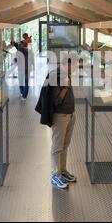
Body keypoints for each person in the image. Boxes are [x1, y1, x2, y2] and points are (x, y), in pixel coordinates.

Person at [39, 57, 76, 190]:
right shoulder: (56, 77)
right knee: (57, 146)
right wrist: (65, 86)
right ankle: (55, 174)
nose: (73, 68)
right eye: (71, 66)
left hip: (69, 115)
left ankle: (63, 170)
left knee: (65, 145)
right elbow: (56, 101)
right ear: (64, 64)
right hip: (60, 116)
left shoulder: (66, 75)